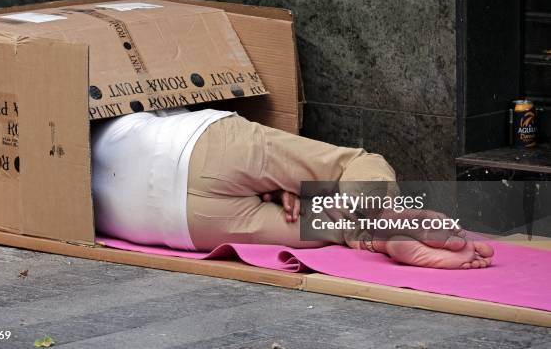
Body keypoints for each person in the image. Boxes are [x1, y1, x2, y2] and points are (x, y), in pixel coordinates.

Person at [92, 108, 493, 269]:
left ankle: (370, 235)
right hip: (195, 144)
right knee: (349, 164)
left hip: (166, 223)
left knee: (323, 224)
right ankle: (377, 215)